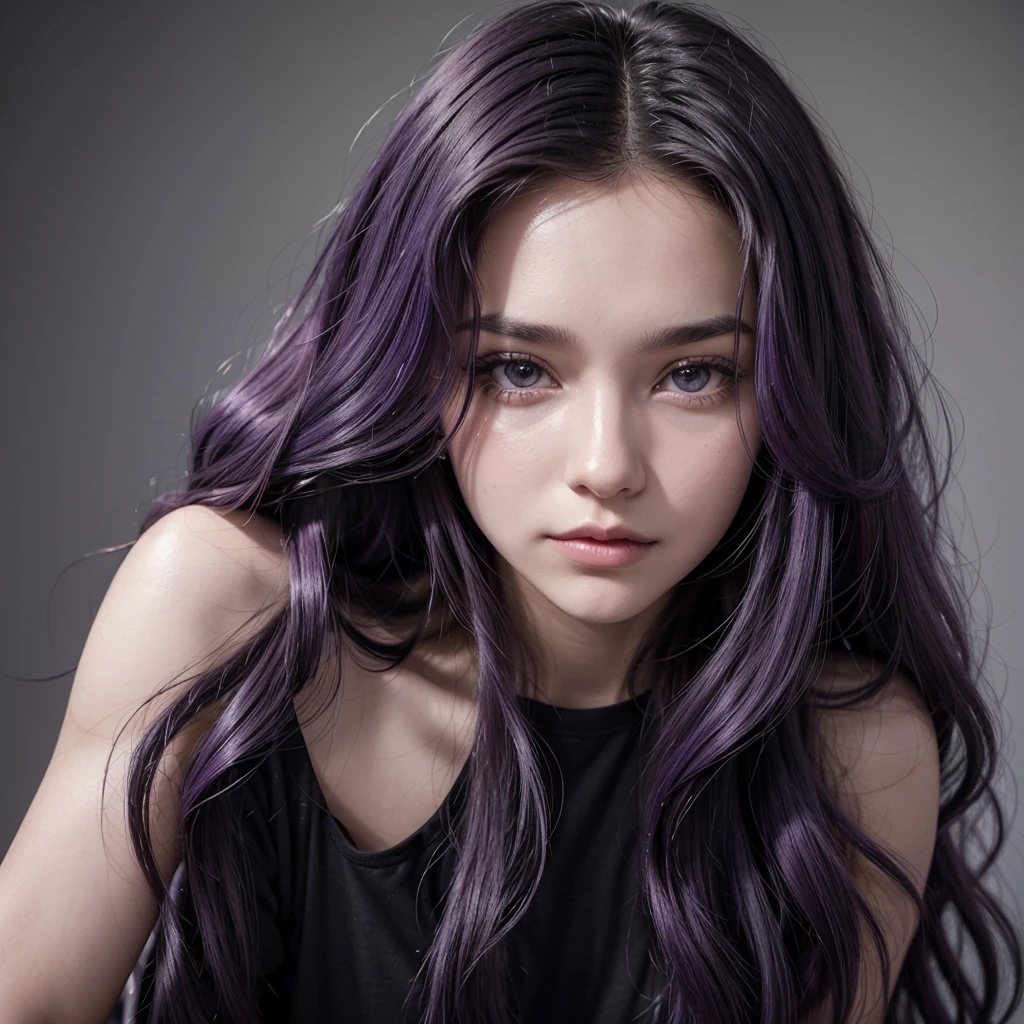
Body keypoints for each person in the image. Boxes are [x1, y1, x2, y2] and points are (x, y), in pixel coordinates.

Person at [0, 1, 1020, 1022]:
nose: (606, 465)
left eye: (694, 375)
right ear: (411, 360)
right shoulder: (226, 612)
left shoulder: (853, 751)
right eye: (520, 368)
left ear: (795, 387)